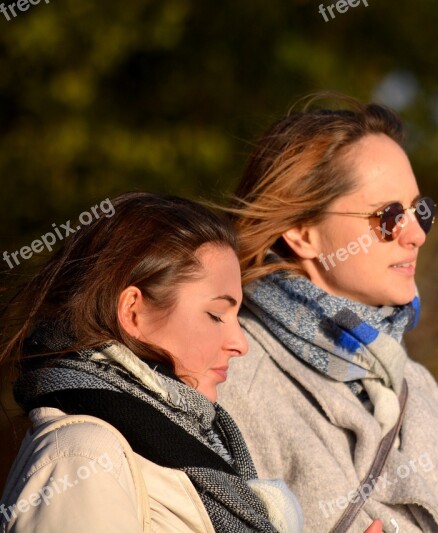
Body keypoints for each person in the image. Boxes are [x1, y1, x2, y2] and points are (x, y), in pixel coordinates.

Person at [218, 95, 438, 532]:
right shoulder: (234, 377)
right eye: (389, 216)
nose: (416, 234)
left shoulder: (413, 383)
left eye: (420, 210)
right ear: (303, 234)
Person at [0, 193, 304, 533]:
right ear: (133, 312)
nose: (240, 344)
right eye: (217, 315)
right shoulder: (82, 456)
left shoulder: (181, 443)